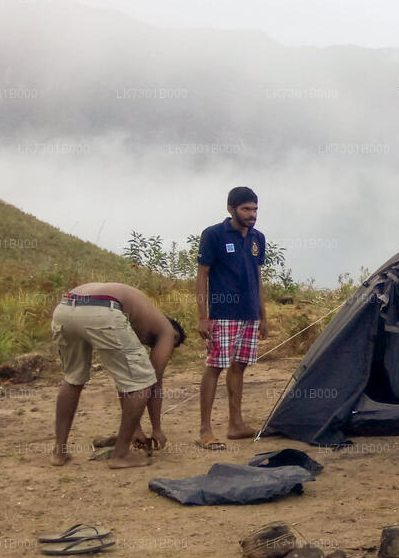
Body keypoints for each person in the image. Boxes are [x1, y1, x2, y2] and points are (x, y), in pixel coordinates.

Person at [50, 283, 186, 468]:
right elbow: (153, 383)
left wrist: (136, 428)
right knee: (143, 382)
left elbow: (126, 383)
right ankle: (120, 455)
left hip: (65, 307)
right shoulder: (168, 331)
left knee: (72, 379)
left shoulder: (137, 317)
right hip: (102, 309)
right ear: (176, 337)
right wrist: (157, 429)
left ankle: (59, 453)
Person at [195, 186, 268, 449]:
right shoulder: (213, 235)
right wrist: (203, 317)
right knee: (215, 366)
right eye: (246, 209)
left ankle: (235, 424)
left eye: (255, 209)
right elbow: (202, 274)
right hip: (223, 314)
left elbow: (258, 277)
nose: (252, 214)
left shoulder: (258, 238)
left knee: (240, 366)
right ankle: (205, 429)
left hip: (249, 315)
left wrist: (263, 315)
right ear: (231, 209)